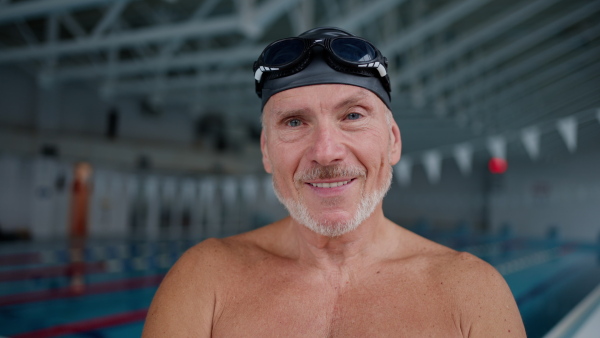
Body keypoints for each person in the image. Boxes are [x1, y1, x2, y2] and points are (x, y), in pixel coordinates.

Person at [142, 27, 525, 337]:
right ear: (265, 149)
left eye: (353, 116)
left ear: (393, 139)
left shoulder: (471, 292)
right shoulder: (205, 279)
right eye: (294, 122)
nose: (326, 152)